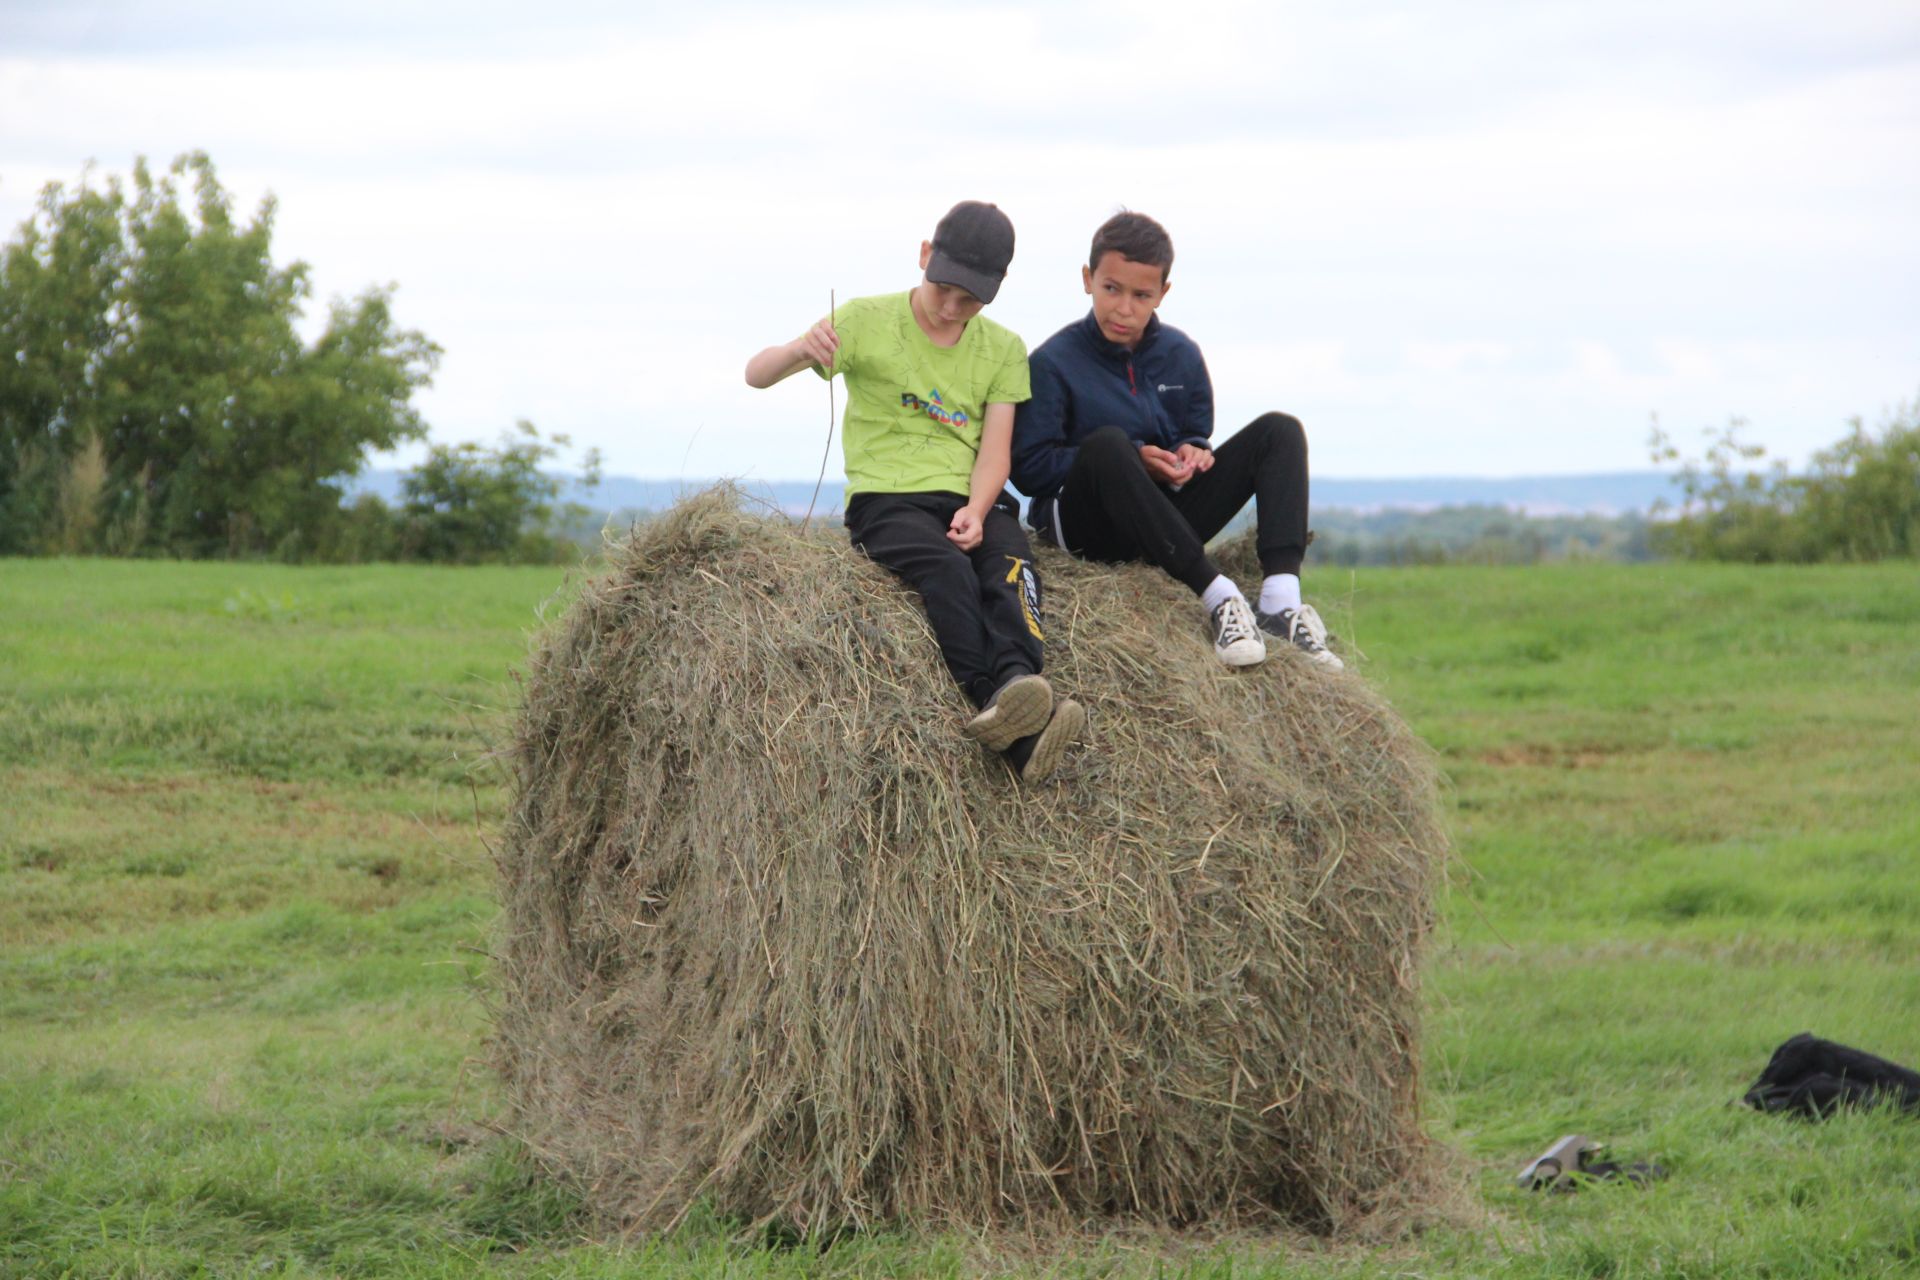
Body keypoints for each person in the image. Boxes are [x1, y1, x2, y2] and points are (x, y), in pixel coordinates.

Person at [744, 200, 1086, 783]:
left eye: (971, 300)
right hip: (888, 501)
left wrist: (979, 512)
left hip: (972, 496)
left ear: (997, 290)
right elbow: (757, 373)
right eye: (943, 289)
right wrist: (803, 350)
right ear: (925, 256)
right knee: (946, 572)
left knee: (1012, 570)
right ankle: (991, 701)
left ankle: (1016, 686)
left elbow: (995, 451)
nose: (953, 308)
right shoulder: (863, 319)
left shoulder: (1002, 349)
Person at [1010, 211, 1343, 671]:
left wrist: (1193, 451)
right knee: (1110, 445)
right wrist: (1131, 459)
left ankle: (1279, 602)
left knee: (1279, 431)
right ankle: (1219, 595)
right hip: (1087, 531)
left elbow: (1193, 432)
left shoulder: (1181, 356)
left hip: (1165, 525)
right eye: (1112, 289)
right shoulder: (1051, 363)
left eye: (1141, 294)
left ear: (1163, 293)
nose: (1124, 307)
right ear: (1088, 280)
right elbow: (1028, 468)